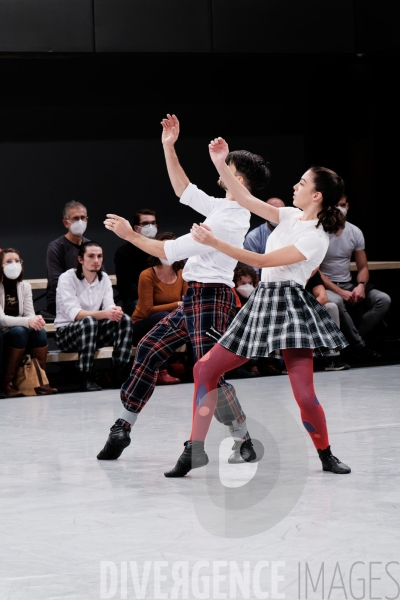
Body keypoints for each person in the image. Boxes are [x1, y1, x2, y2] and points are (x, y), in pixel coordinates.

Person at [164, 136, 352, 478]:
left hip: (290, 307)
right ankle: (194, 450)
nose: (295, 186)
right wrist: (221, 163)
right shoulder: (291, 215)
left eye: (302, 183)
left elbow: (261, 259)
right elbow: (246, 198)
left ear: (317, 195)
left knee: (304, 394)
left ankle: (325, 453)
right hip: (263, 301)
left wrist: (214, 242)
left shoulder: (315, 236)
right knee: (204, 369)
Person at [96, 113, 271, 465]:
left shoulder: (229, 218)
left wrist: (129, 235)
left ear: (236, 179)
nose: (218, 169)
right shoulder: (224, 205)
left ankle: (243, 438)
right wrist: (168, 147)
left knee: (208, 372)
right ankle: (123, 426)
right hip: (192, 298)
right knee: (148, 348)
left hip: (212, 299)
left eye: (225, 166)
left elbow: (166, 251)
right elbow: (183, 190)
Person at [54, 241, 133, 392]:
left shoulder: (104, 278)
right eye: (91, 256)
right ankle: (86, 376)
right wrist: (105, 314)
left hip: (92, 333)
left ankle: (119, 373)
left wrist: (114, 311)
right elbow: (75, 314)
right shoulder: (67, 278)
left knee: (125, 319)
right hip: (67, 334)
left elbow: (108, 304)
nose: (96, 261)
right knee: (88, 321)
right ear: (81, 259)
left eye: (99, 256)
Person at [319, 195, 391, 361]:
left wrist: (361, 285)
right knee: (336, 302)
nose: (339, 208)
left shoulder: (355, 231)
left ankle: (351, 340)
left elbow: (363, 267)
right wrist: (340, 291)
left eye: (342, 205)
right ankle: (359, 346)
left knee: (383, 300)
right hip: (326, 285)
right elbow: (316, 271)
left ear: (348, 206)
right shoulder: (319, 231)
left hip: (347, 282)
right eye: (335, 205)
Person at [132, 231, 188, 385]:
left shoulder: (182, 274)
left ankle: (194, 369)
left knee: (193, 318)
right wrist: (176, 305)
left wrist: (181, 306)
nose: (167, 252)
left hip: (171, 323)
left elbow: (186, 303)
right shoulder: (147, 275)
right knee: (162, 316)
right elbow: (147, 310)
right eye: (163, 247)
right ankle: (161, 371)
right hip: (143, 325)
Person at [0, 247, 57, 398]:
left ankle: (40, 381)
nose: (14, 264)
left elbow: (29, 313)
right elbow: (2, 319)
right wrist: (28, 321)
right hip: (3, 328)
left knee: (40, 331)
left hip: (19, 327)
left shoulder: (25, 286)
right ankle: (7, 384)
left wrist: (35, 320)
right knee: (20, 331)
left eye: (17, 261)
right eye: (9, 261)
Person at [45, 201, 90, 318]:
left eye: (83, 218)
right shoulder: (56, 247)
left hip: (89, 300)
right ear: (66, 223)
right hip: (61, 302)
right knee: (89, 320)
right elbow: (56, 281)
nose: (80, 222)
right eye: (75, 218)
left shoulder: (91, 246)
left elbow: (100, 275)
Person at [114, 209, 158, 316]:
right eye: (146, 224)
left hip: (159, 295)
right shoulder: (124, 253)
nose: (151, 226)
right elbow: (128, 288)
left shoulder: (159, 249)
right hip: (135, 299)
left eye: (153, 223)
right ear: (136, 228)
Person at [305, 268, 350, 371]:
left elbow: (322, 297)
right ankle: (292, 361)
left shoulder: (311, 269)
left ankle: (332, 357)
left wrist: (308, 312)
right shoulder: (285, 271)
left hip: (307, 307)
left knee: (331, 307)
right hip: (288, 307)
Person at [243, 197, 286, 275]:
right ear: (264, 213)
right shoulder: (253, 237)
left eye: (280, 211)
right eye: (272, 211)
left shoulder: (294, 232)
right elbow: (252, 273)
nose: (277, 215)